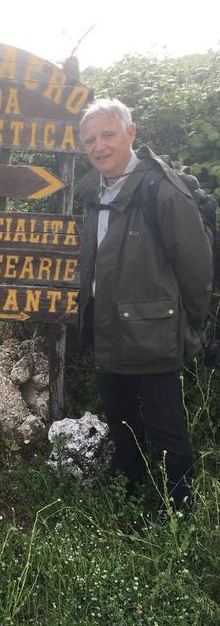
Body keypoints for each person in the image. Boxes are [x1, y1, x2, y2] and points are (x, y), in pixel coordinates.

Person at [77, 98, 213, 510]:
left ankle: (179, 505)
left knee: (165, 424)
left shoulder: (161, 189)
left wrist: (189, 324)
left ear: (130, 133)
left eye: (107, 135)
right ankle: (130, 493)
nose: (98, 147)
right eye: (89, 140)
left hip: (155, 330)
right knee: (120, 419)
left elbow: (195, 265)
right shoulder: (93, 191)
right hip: (108, 329)